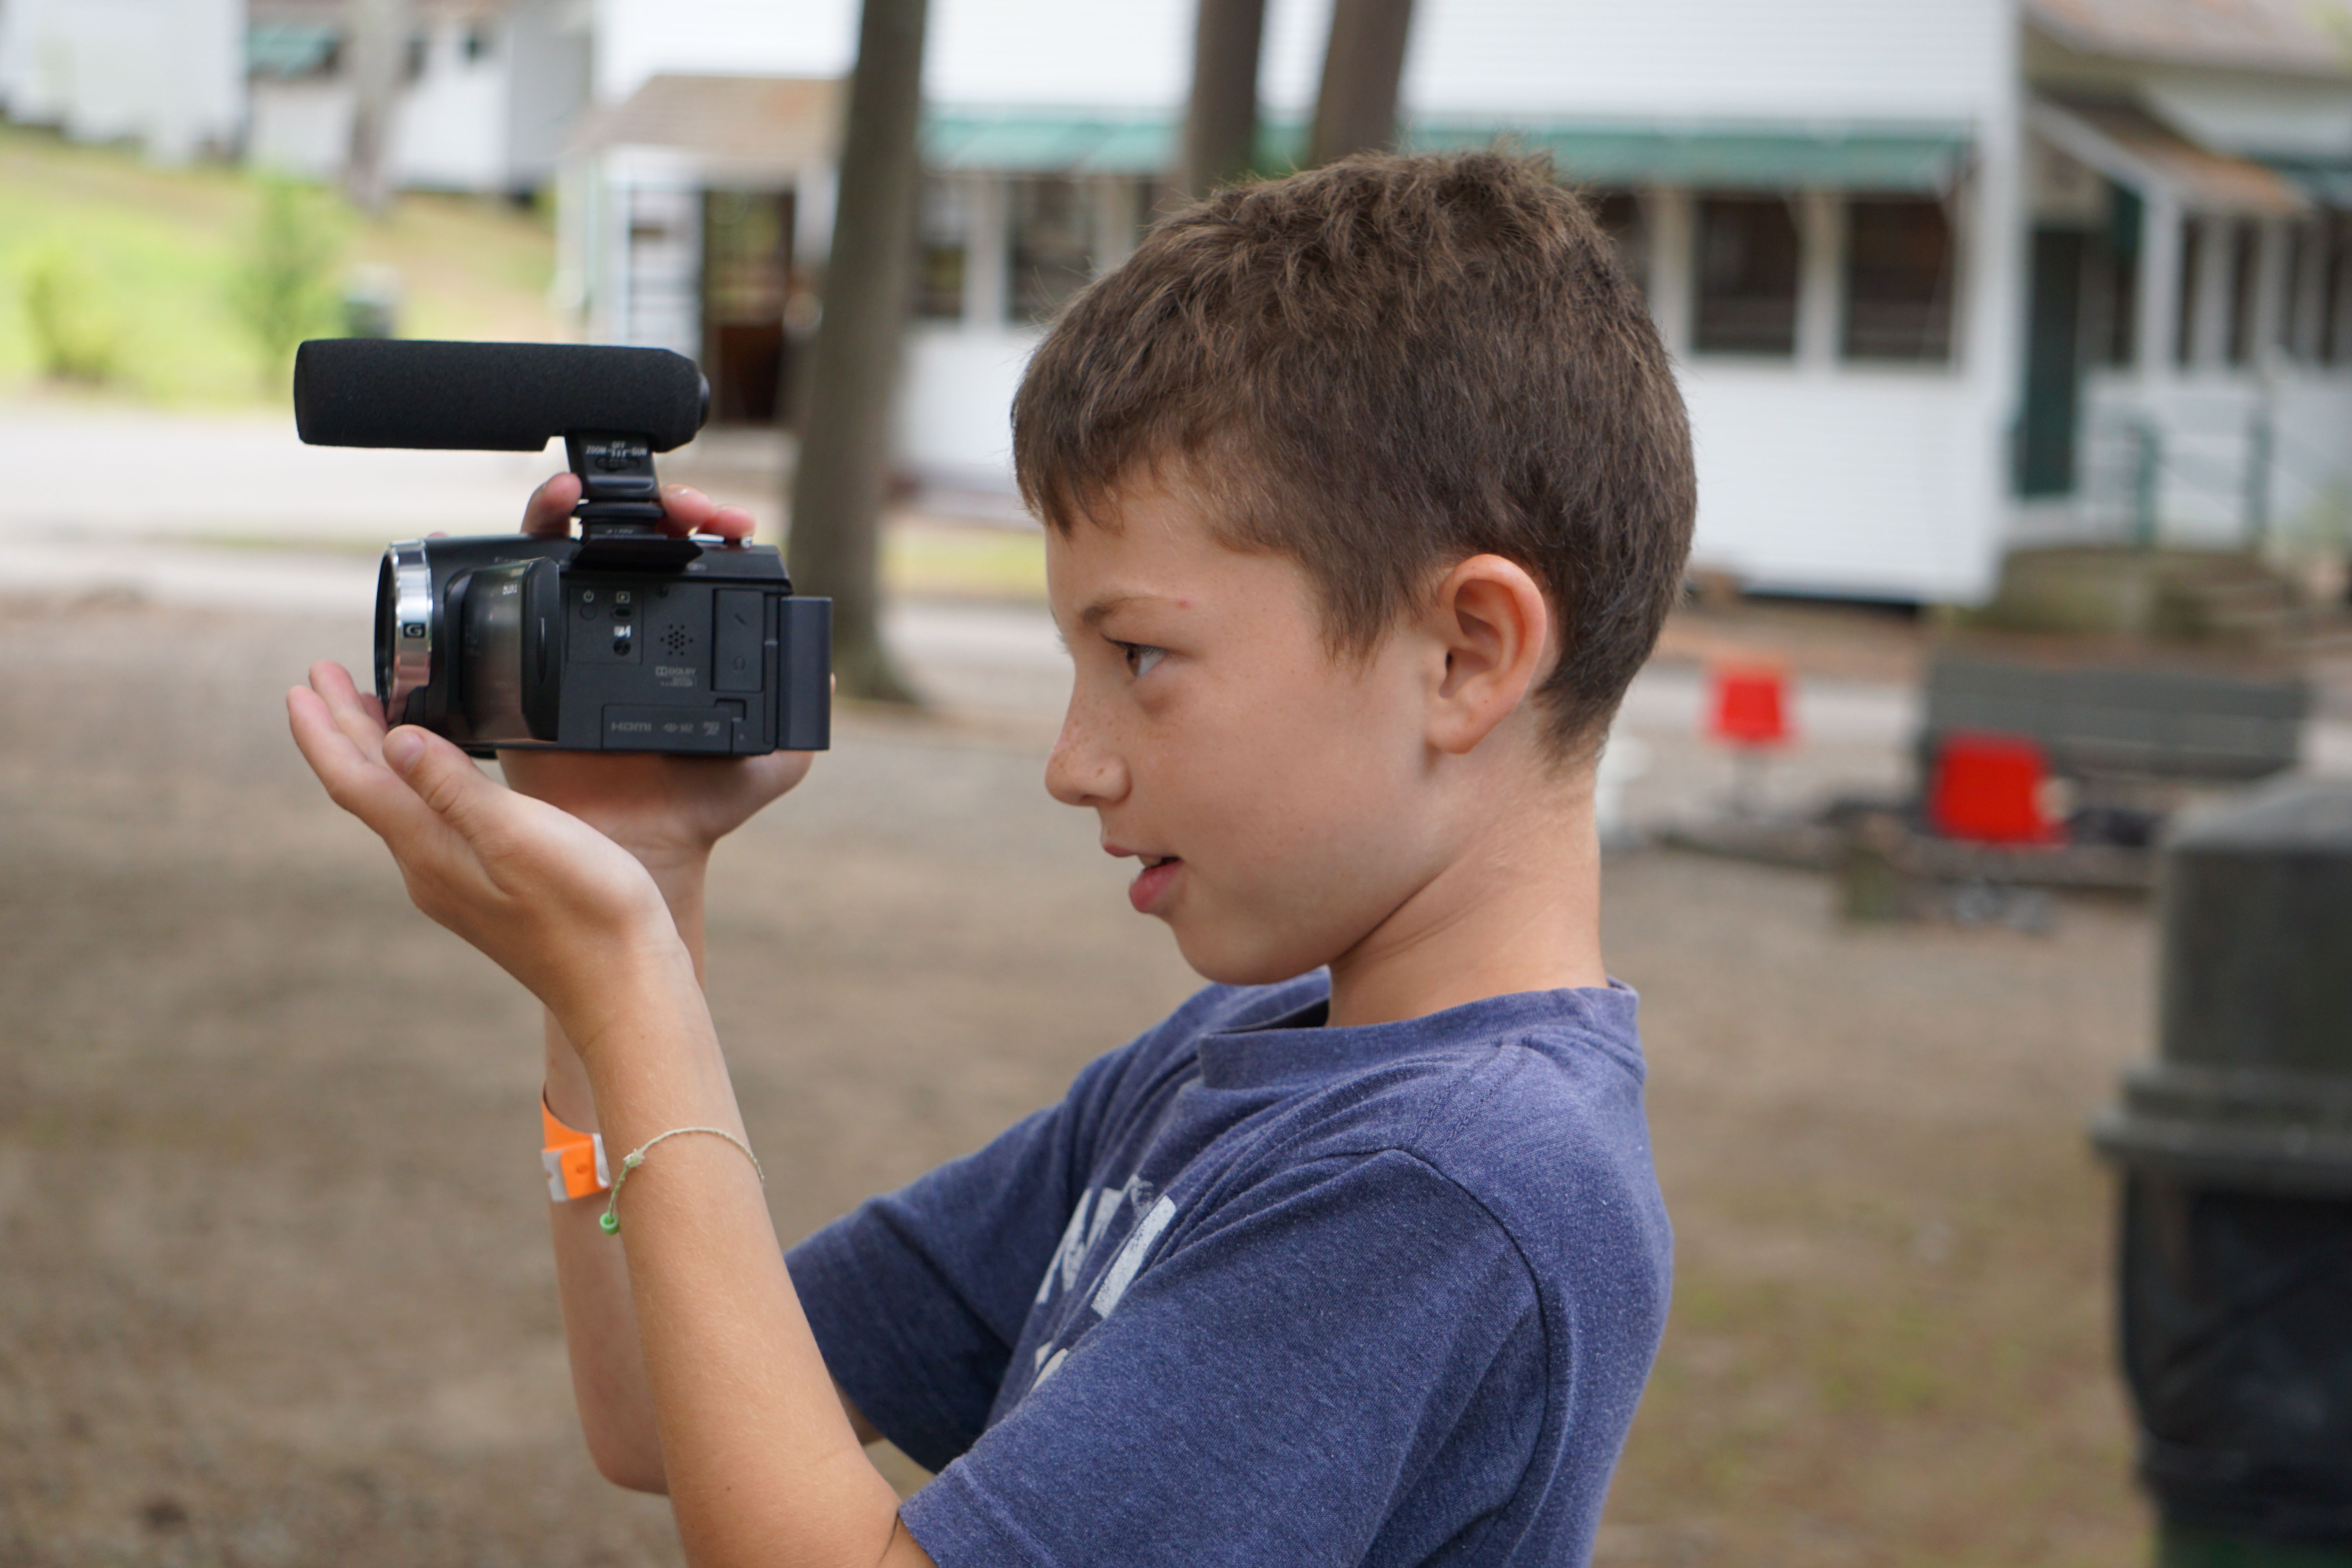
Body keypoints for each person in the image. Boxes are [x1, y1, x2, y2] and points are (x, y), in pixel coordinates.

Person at [287, 150, 1694, 1567]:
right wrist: (640, 873)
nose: (1072, 761)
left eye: (1142, 654)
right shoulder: (1230, 1063)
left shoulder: (1445, 1184)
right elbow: (658, 1414)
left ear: (1466, 656)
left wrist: (629, 989)